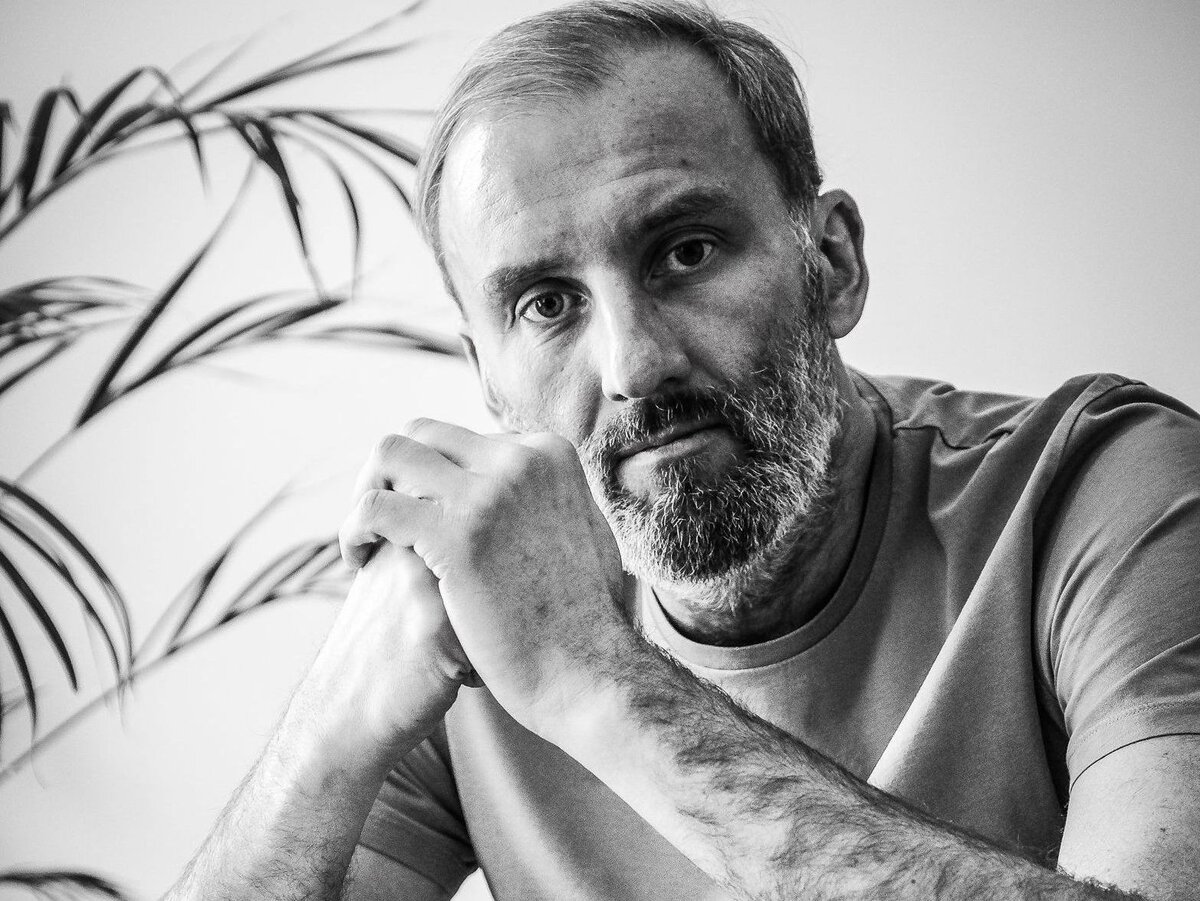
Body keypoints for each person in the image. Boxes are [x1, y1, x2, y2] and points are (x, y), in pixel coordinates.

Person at [165, 2, 1200, 899]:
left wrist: (590, 677)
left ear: (832, 262)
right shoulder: (480, 604)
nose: (634, 364)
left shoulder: (1104, 488)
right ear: (487, 378)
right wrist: (331, 729)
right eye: (547, 304)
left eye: (686, 251)